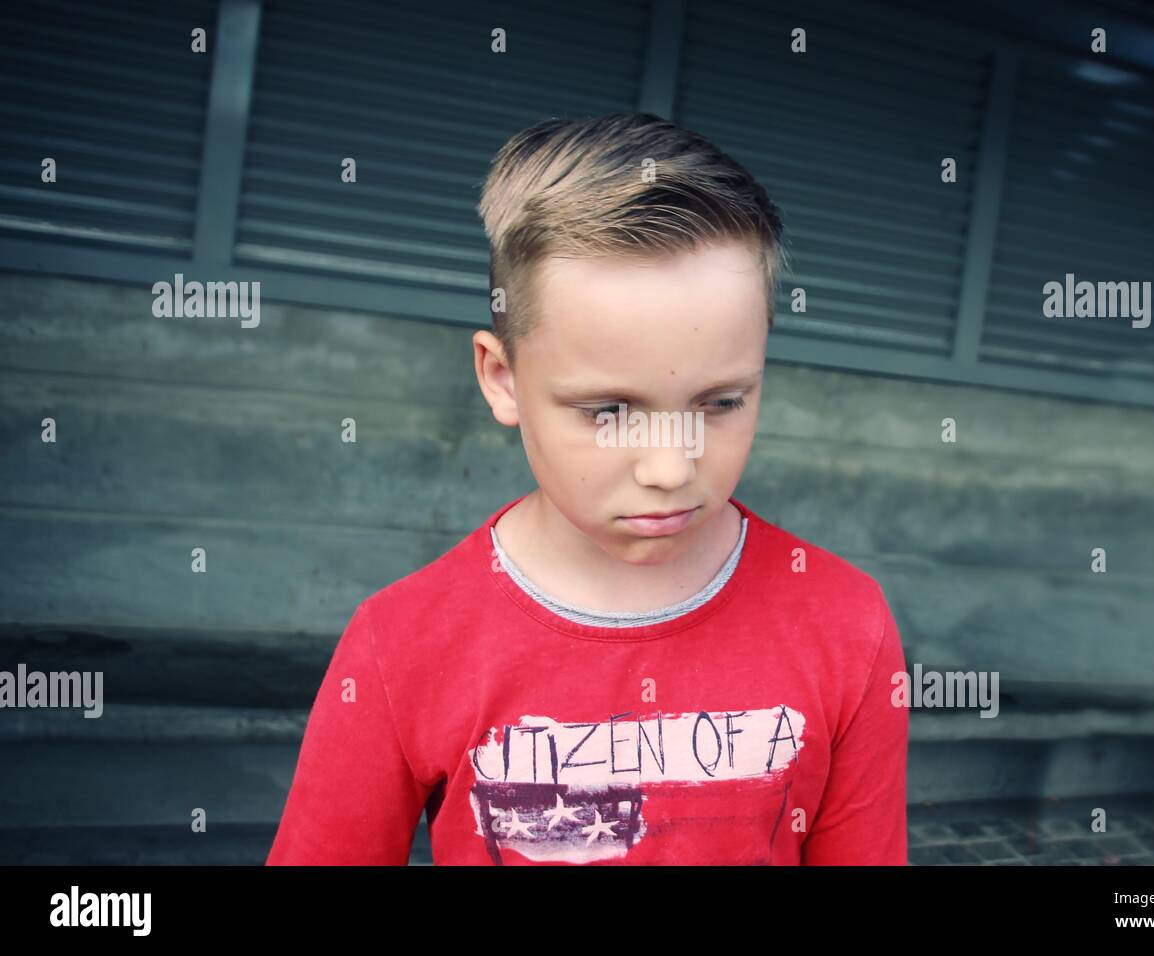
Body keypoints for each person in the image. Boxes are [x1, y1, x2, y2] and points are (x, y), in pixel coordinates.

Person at [266, 112, 908, 866]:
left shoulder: (845, 624)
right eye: (608, 411)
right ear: (502, 379)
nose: (670, 468)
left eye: (720, 403)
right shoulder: (400, 645)